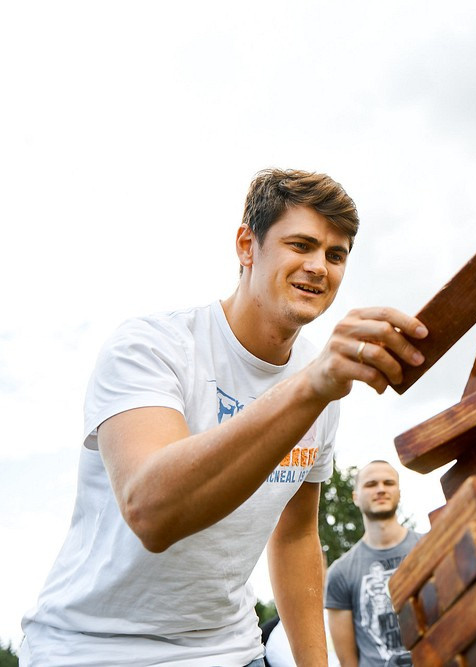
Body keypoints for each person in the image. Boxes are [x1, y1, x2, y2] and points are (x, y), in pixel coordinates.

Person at [20, 169, 428, 666]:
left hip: (228, 647)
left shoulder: (321, 383)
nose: (319, 267)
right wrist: (312, 385)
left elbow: (296, 535)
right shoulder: (152, 348)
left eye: (336, 255)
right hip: (94, 647)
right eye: (301, 245)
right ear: (246, 245)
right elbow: (152, 512)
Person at [325, 460, 419, 667]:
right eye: (371, 484)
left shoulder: (429, 546)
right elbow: (348, 662)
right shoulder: (340, 573)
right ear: (355, 497)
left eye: (388, 483)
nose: (381, 489)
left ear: (399, 493)